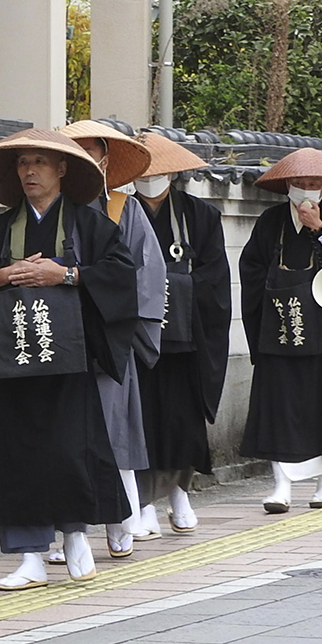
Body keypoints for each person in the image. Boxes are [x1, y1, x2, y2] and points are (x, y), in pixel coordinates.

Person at [0, 129, 139, 591]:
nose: (30, 171)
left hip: (68, 364)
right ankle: (29, 557)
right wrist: (0, 275)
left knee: (70, 449)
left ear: (61, 170)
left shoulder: (92, 227)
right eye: (22, 164)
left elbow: (120, 277)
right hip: (13, 364)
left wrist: (67, 274)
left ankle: (75, 536)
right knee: (15, 456)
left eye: (39, 162)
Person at [238, 147, 322, 513]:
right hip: (280, 328)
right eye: (300, 183)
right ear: (288, 187)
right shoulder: (270, 221)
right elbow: (249, 268)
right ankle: (280, 486)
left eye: (314, 184)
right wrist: (272, 290)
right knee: (278, 405)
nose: (307, 190)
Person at [58, 120, 164, 556]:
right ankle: (66, 532)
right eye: (73, 151)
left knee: (113, 432)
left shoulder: (125, 209)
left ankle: (122, 522)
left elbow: (148, 277)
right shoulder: (50, 211)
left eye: (91, 151)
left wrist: (124, 332)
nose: (84, 159)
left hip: (108, 341)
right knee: (63, 439)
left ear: (105, 160)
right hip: (60, 341)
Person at [131, 132, 231, 534]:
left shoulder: (200, 216)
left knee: (182, 420)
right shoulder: (117, 212)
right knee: (140, 420)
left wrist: (171, 286)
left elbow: (216, 276)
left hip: (185, 339)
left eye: (157, 170)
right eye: (142, 170)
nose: (149, 177)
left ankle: (179, 493)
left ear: (172, 173)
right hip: (137, 339)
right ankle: (142, 502)